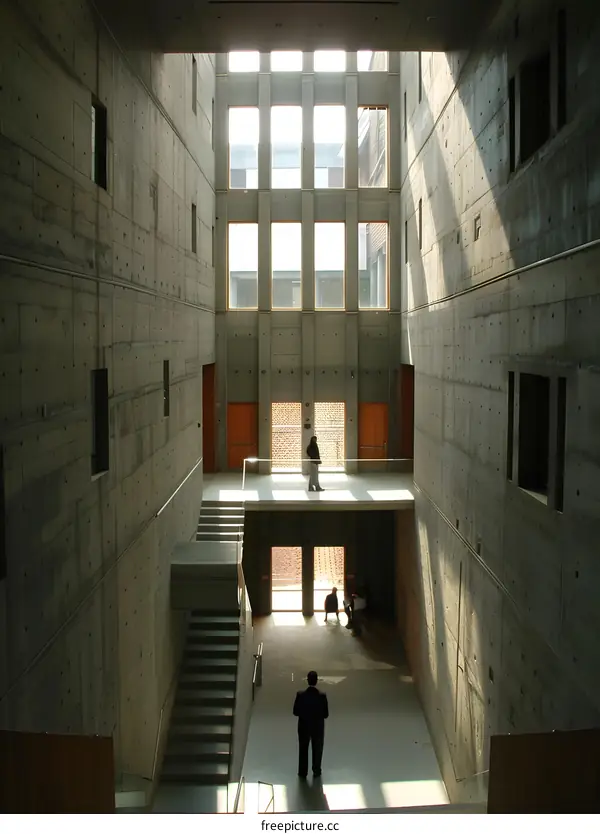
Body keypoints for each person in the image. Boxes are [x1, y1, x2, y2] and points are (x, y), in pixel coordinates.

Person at [293, 671, 329, 778]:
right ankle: (316, 770)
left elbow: (295, 712)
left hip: (304, 726)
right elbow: (326, 714)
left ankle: (303, 771)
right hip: (317, 727)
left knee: (303, 749)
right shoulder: (322, 696)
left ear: (307, 680)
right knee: (317, 749)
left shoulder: (300, 695)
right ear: (317, 681)